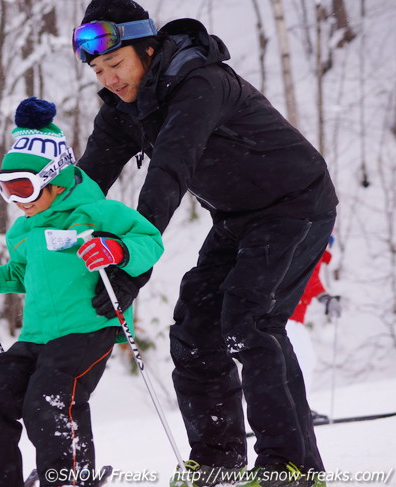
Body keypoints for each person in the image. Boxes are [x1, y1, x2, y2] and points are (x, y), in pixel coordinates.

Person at [71, 1, 338, 486]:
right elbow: (84, 188)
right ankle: (218, 459)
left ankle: (292, 467)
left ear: (147, 49)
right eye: (97, 69)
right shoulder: (122, 111)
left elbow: (169, 173)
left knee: (249, 320)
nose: (108, 78)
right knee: (194, 329)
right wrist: (38, 237)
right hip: (236, 218)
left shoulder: (200, 83)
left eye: (115, 64)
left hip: (295, 204)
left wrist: (132, 264)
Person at [0, 97, 164, 487]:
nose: (15, 201)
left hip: (87, 329)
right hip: (37, 335)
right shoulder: (23, 229)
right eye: (5, 189)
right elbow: (22, 273)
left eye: (23, 188)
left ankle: (68, 478)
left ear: (57, 180)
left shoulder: (97, 212)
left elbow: (149, 240)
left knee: (49, 398)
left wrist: (117, 249)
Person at [287, 236, 341, 420]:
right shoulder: (310, 251)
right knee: (303, 360)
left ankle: (297, 409)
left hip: (291, 317)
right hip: (288, 317)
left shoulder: (306, 251)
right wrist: (325, 297)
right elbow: (308, 280)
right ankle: (298, 410)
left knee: (301, 360)